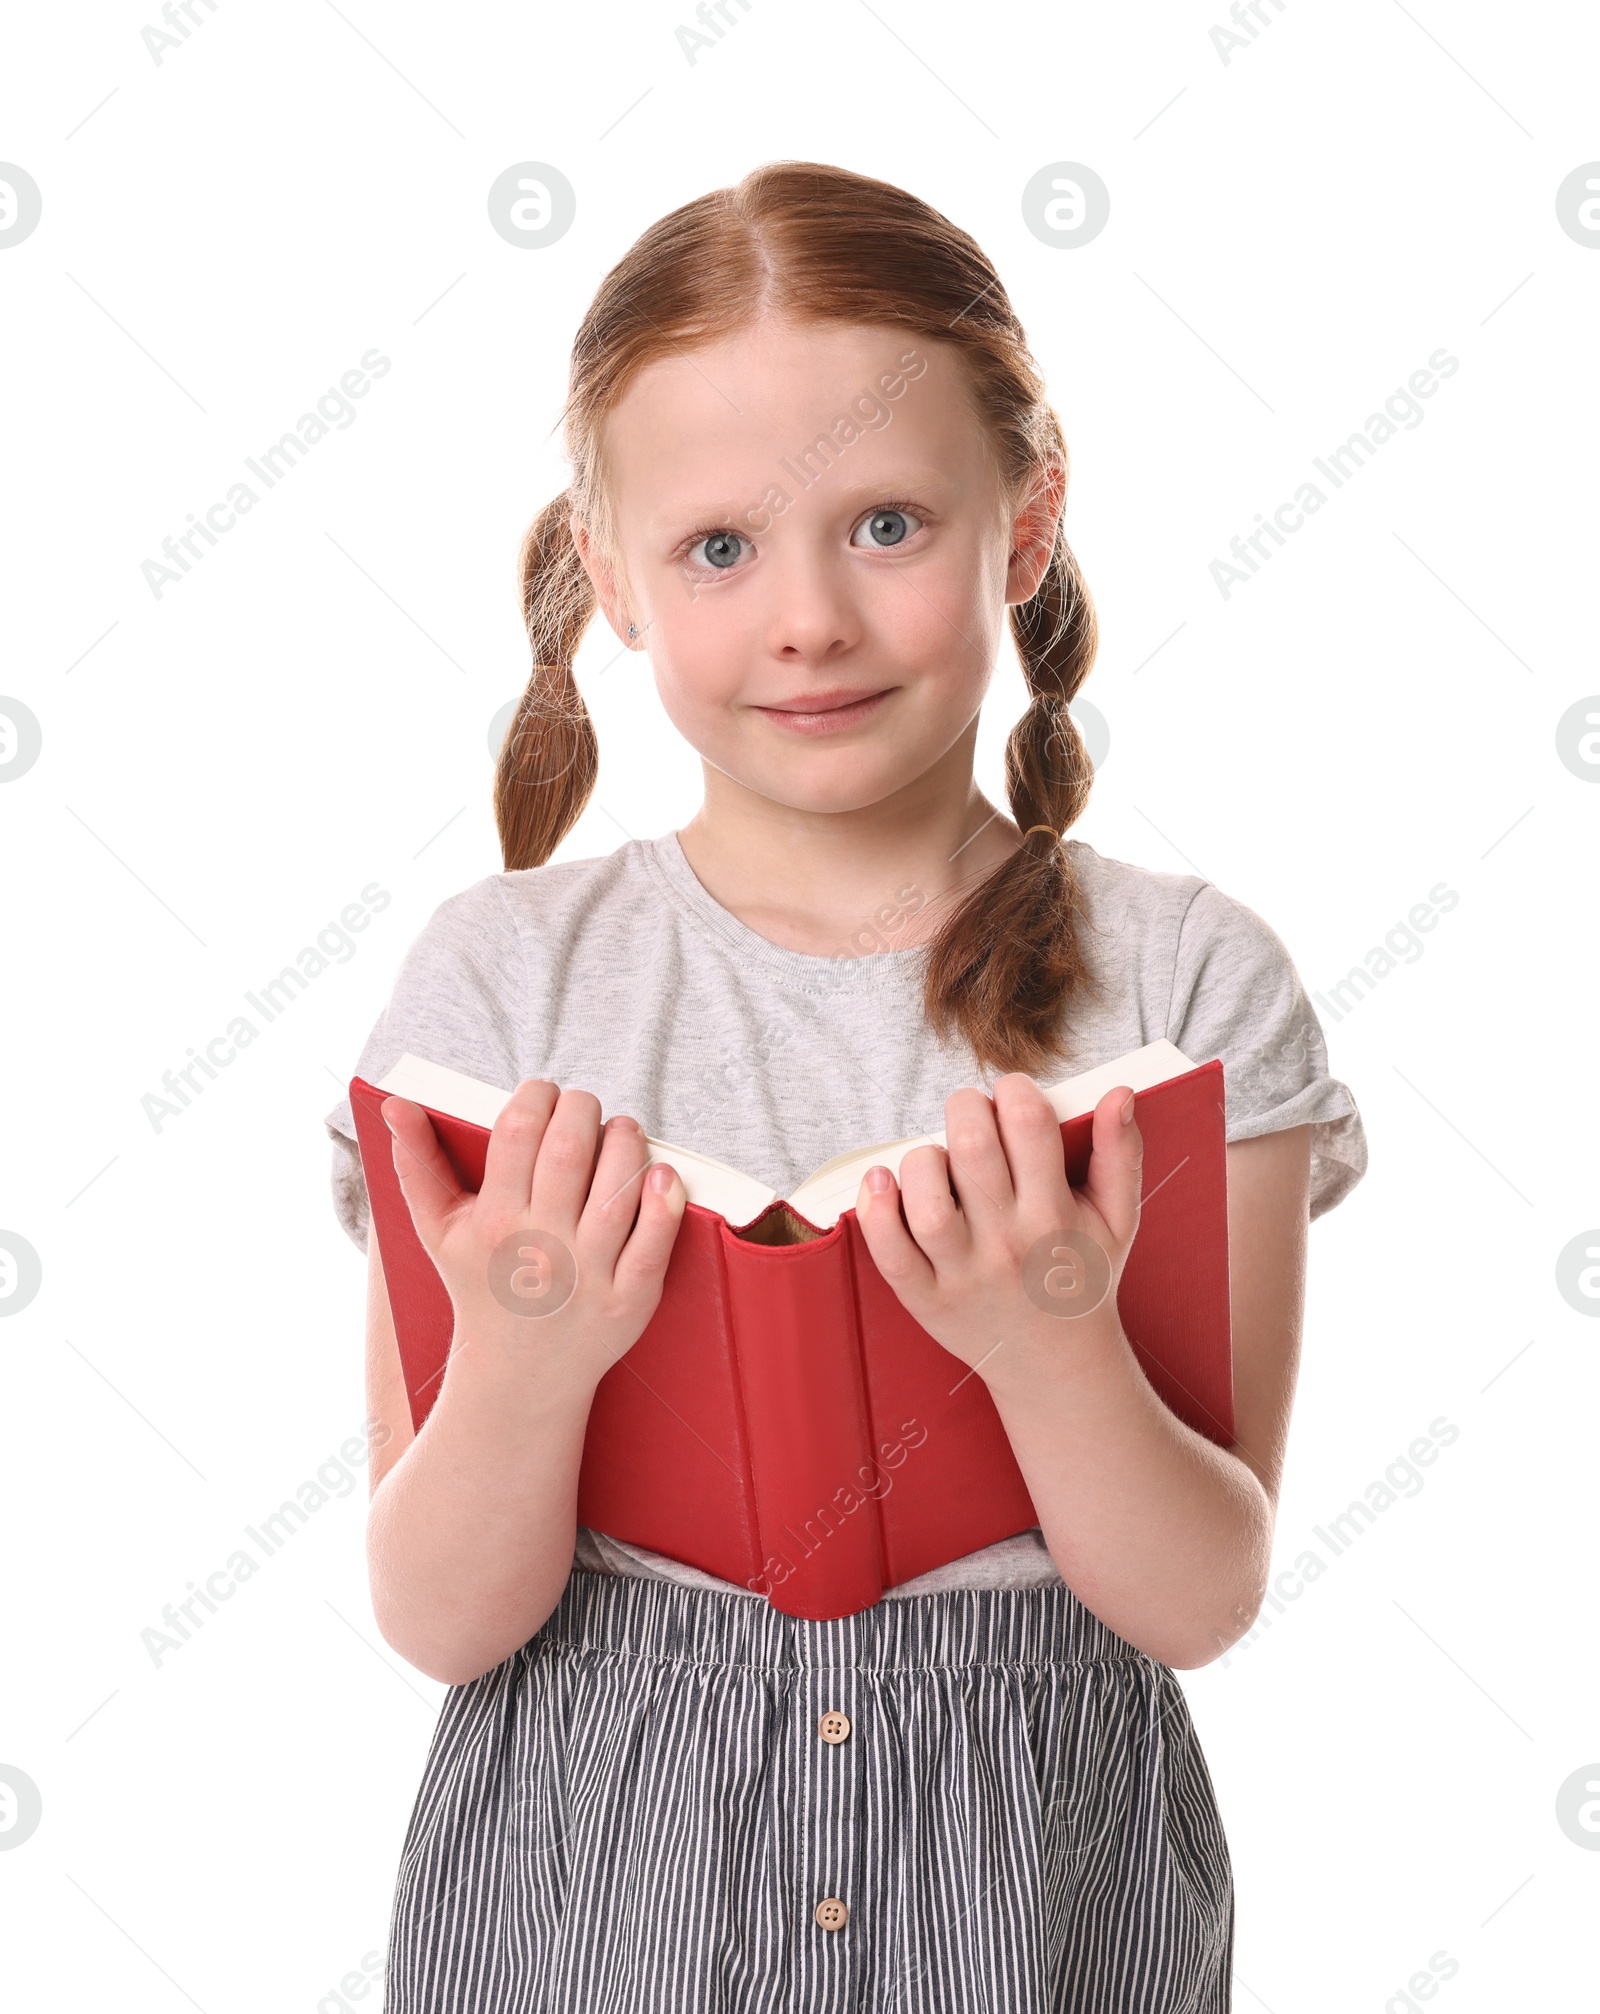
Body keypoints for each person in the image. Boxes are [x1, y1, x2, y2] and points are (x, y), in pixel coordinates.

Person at [322, 159, 1367, 2013]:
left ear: (1025, 529)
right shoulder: (496, 983)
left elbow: (1201, 1596)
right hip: (589, 1899)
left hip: (1033, 1903)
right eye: (719, 547)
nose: (804, 619)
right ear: (611, 576)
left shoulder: (1190, 984)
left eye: (886, 522)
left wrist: (1052, 1342)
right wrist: (529, 1359)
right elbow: (434, 1618)